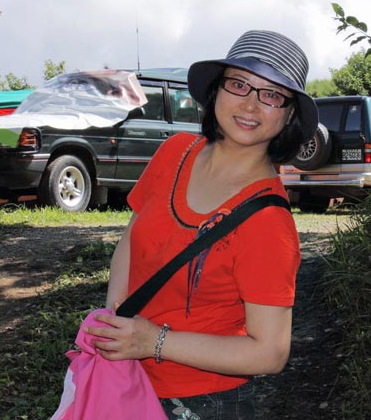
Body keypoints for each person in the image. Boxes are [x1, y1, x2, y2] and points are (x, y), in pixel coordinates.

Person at [86, 29, 318, 419]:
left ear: (289, 114)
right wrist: (117, 324)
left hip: (202, 403)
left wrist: (153, 342)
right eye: (239, 84)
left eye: (272, 95)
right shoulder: (174, 152)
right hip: (123, 382)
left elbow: (270, 352)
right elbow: (131, 242)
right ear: (216, 90)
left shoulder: (269, 222)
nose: (250, 104)